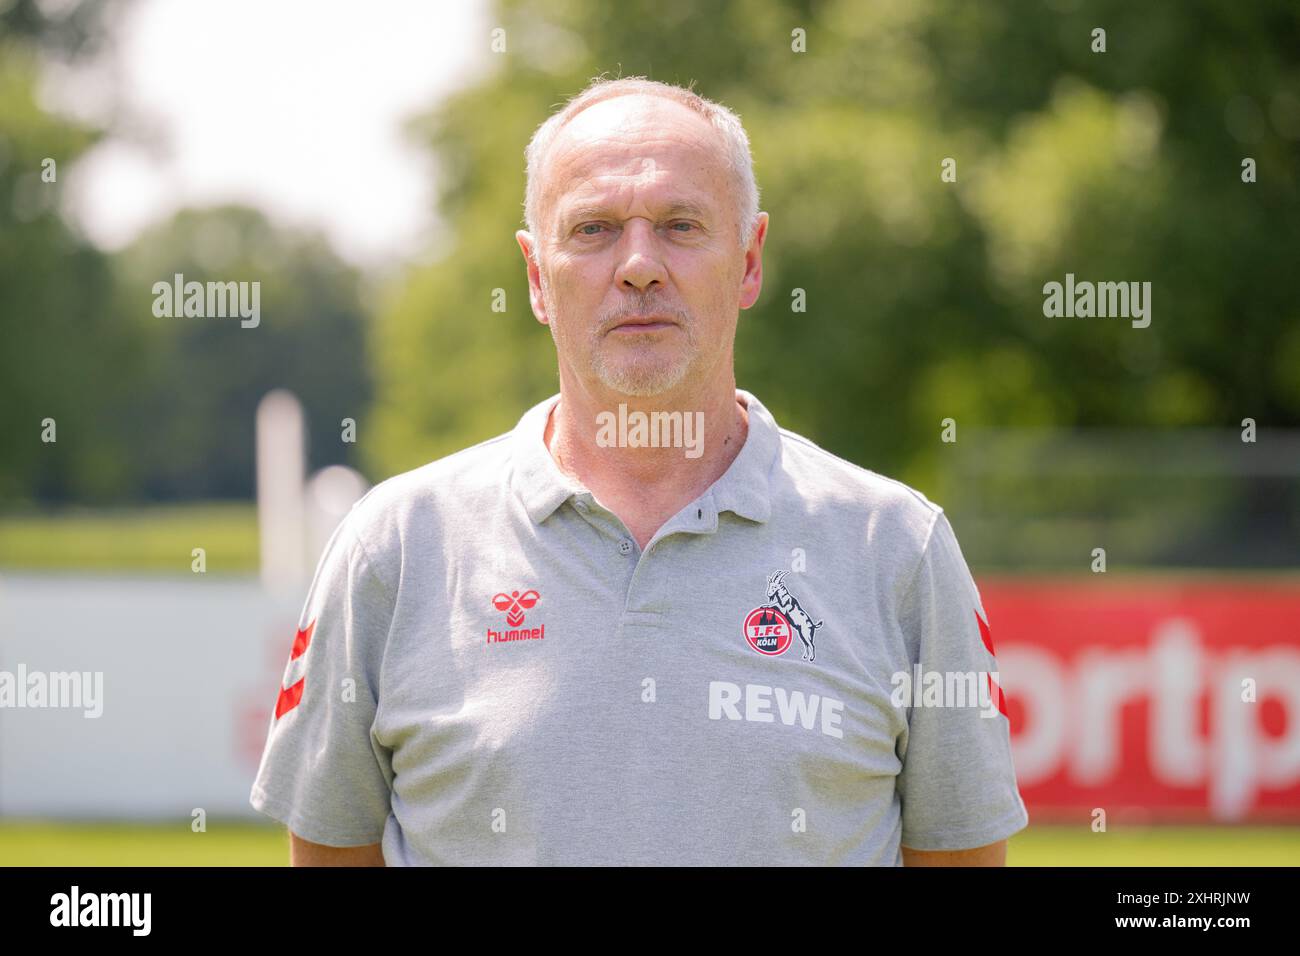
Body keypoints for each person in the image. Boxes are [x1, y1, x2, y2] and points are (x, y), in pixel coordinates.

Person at [249, 75, 1029, 866]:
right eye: (592, 229)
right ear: (534, 277)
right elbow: (329, 851)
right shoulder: (395, 547)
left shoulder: (898, 549)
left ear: (751, 260)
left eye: (681, 225)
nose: (638, 266)